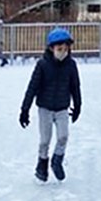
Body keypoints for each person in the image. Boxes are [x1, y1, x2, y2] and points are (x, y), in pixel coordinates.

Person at [19, 28, 82, 183]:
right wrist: (24, 110)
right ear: (51, 48)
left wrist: (78, 105)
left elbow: (75, 87)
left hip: (62, 108)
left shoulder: (71, 65)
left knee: (63, 136)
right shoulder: (42, 65)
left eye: (66, 49)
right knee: (45, 140)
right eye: (60, 49)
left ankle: (57, 161)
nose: (63, 52)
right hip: (45, 108)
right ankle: (42, 165)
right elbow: (32, 87)